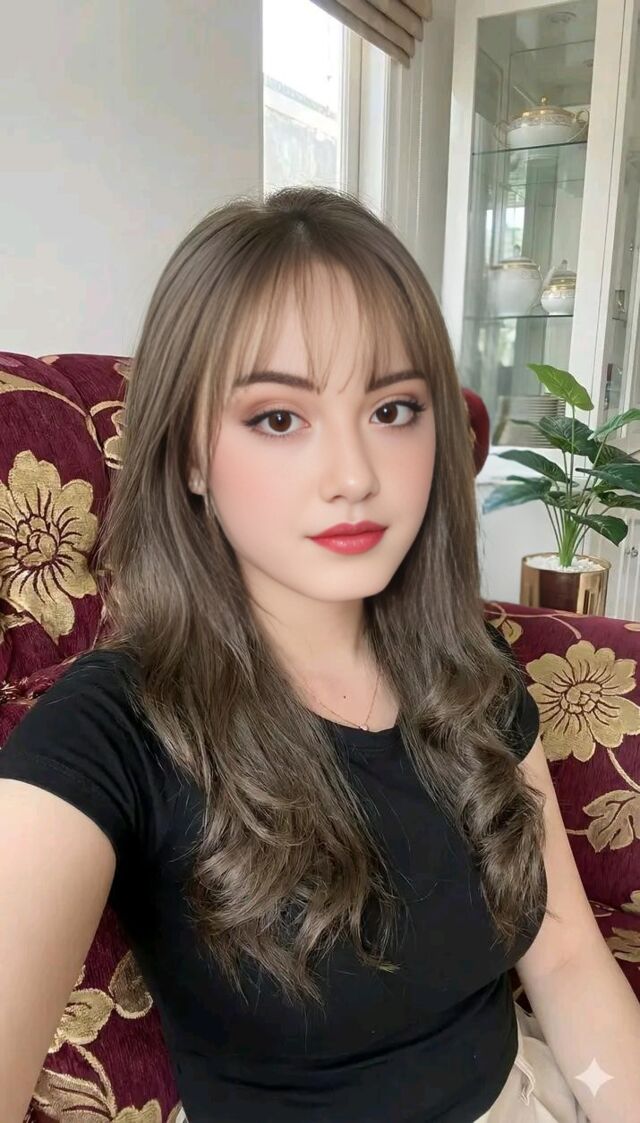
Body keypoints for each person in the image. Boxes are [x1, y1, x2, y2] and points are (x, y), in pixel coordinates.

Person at [0, 186, 591, 1123]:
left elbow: (566, 960)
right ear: (191, 455)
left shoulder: (467, 661)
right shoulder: (109, 728)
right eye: (279, 418)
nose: (354, 474)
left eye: (393, 408)